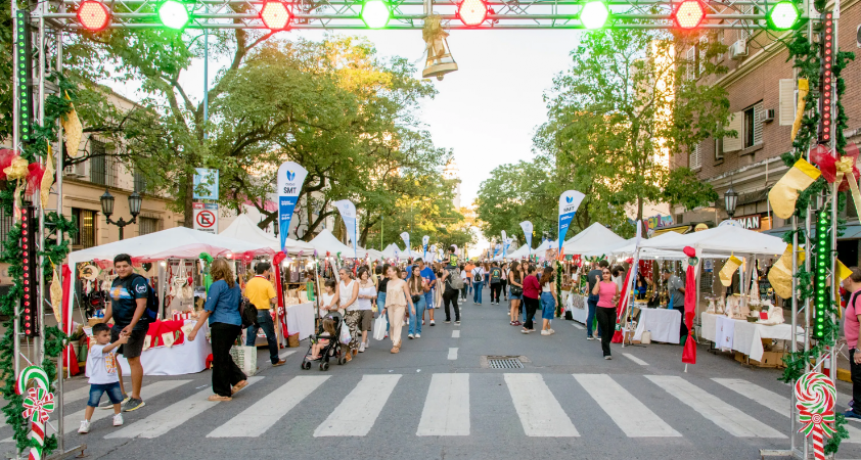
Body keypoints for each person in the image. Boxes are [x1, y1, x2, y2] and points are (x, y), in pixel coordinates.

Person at [188, 259, 248, 401]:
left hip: (221, 323)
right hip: (234, 322)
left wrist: (195, 330)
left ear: (214, 270)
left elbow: (208, 309)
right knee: (223, 354)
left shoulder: (217, 286)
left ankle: (222, 392)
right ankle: (238, 378)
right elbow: (240, 303)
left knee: (219, 358)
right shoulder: (235, 285)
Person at [103, 253, 150, 412]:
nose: (121, 269)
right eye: (118, 267)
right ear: (114, 268)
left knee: (133, 360)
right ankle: (120, 394)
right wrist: (102, 322)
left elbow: (141, 305)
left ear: (131, 265)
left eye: (124, 266)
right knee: (110, 356)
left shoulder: (138, 281)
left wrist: (131, 325)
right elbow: (112, 304)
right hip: (118, 326)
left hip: (135, 327)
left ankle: (136, 397)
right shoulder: (116, 281)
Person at [78, 323, 128, 434]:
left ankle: (117, 415)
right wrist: (119, 342)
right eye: (104, 335)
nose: (108, 337)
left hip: (112, 379)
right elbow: (106, 350)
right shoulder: (95, 348)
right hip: (98, 381)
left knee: (116, 399)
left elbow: (113, 350)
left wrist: (121, 340)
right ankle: (86, 421)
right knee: (92, 401)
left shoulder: (110, 345)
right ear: (96, 337)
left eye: (108, 335)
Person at [243, 262, 286, 368]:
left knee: (250, 339)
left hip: (251, 313)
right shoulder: (266, 283)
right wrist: (274, 298)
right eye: (268, 271)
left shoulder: (250, 282)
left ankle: (249, 364)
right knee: (271, 336)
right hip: (263, 311)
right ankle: (275, 359)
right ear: (265, 271)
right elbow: (273, 300)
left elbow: (245, 298)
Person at [381, 265, 415, 353]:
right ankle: (397, 340)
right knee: (392, 324)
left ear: (395, 271)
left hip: (400, 305)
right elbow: (387, 296)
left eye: (390, 271)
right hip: (390, 306)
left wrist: (412, 306)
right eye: (388, 271)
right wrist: (385, 307)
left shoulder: (402, 282)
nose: (388, 273)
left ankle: (395, 345)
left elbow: (407, 295)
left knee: (397, 323)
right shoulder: (388, 283)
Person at [842, 267, 861, 421]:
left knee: (858, 376)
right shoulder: (855, 295)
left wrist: (859, 349)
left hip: (858, 346)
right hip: (853, 343)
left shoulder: (859, 296)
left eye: (843, 278)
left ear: (850, 279)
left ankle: (858, 409)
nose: (841, 281)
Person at [592, 266, 619, 360]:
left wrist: (616, 299)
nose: (605, 274)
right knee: (605, 329)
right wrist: (597, 281)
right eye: (603, 273)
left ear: (610, 274)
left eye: (607, 273)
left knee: (611, 329)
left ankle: (606, 343)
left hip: (612, 309)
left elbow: (617, 296)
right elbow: (594, 292)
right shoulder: (600, 284)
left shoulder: (614, 285)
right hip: (601, 309)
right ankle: (607, 352)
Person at [338, 268, 360, 362]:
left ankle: (348, 353)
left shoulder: (354, 283)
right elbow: (337, 296)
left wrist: (346, 305)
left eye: (342, 274)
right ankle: (354, 345)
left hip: (353, 310)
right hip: (342, 311)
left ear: (348, 274)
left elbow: (354, 297)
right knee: (343, 330)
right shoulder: (339, 284)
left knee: (351, 329)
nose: (340, 275)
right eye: (339, 274)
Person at [586, 260, 609, 341]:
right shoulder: (604, 275)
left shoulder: (590, 273)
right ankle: (599, 334)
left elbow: (587, 286)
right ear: (604, 267)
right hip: (600, 296)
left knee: (590, 315)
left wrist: (590, 293)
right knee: (601, 316)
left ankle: (589, 334)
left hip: (591, 295)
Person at [662, 268, 687, 341]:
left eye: (662, 275)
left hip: (679, 303)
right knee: (675, 320)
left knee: (679, 320)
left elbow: (683, 290)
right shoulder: (669, 280)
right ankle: (679, 336)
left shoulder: (674, 279)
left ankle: (686, 333)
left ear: (666, 273)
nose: (662, 277)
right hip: (674, 303)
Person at [356, 268, 377, 352]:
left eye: (366, 274)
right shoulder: (356, 283)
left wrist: (370, 297)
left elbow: (374, 295)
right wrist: (358, 296)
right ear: (360, 275)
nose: (365, 275)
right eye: (363, 274)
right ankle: (366, 339)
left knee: (365, 326)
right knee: (360, 325)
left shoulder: (370, 284)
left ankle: (363, 344)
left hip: (367, 307)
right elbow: (353, 294)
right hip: (358, 307)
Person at [412, 258, 437, 327]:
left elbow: (434, 279)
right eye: (416, 264)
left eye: (418, 263)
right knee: (421, 305)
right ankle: (422, 319)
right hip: (420, 291)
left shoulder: (428, 270)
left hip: (429, 290)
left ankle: (432, 319)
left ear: (422, 263)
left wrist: (430, 285)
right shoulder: (417, 271)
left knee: (430, 304)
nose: (417, 265)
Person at [408, 265, 428, 339]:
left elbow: (426, 289)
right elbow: (407, 292)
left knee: (419, 316)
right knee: (412, 316)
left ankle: (418, 332)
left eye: (419, 270)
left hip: (420, 297)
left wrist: (423, 286)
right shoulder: (409, 280)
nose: (418, 272)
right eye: (416, 270)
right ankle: (410, 332)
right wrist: (406, 301)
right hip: (412, 298)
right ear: (413, 272)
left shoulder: (423, 279)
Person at [521, 265, 540, 333]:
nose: (536, 272)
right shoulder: (533, 278)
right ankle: (525, 326)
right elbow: (537, 286)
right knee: (532, 311)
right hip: (532, 296)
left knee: (528, 311)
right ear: (532, 271)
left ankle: (530, 327)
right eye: (536, 271)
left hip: (525, 295)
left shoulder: (526, 278)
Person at [540, 267, 558, 336]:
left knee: (545, 311)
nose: (553, 272)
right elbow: (552, 290)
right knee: (547, 313)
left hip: (543, 294)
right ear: (550, 271)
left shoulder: (542, 278)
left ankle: (549, 328)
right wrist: (556, 299)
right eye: (553, 271)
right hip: (549, 295)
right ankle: (543, 329)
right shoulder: (550, 279)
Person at [508, 261, 524, 327]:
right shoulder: (511, 272)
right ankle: (512, 320)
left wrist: (522, 275)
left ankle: (516, 319)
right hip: (514, 289)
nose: (520, 267)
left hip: (519, 290)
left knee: (517, 305)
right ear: (515, 266)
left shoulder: (519, 272)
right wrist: (519, 285)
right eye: (518, 266)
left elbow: (522, 281)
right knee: (513, 306)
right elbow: (512, 281)